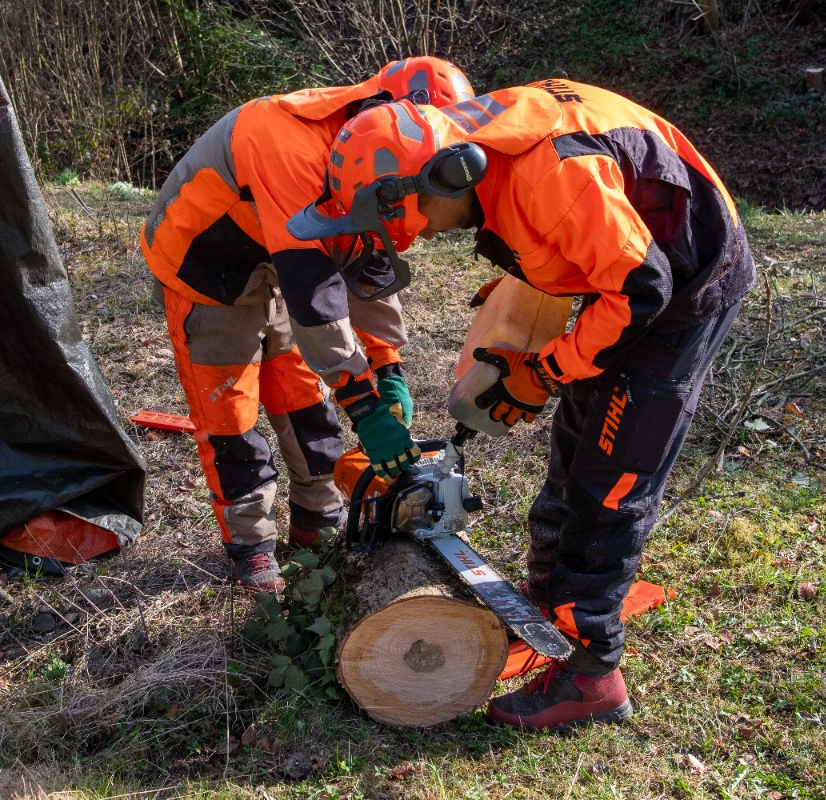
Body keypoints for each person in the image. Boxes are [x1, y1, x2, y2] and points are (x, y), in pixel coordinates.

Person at [288, 78, 756, 729]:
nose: (407, 238)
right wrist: (531, 285)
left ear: (441, 177)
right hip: (623, 274)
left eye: (401, 219)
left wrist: (544, 371)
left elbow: (642, 290)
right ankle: (543, 614)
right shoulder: (485, 158)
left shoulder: (550, 175)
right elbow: (578, 236)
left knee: (610, 482)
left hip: (680, 288)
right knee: (573, 449)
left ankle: (593, 676)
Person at [139, 58, 476, 593]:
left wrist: (387, 369)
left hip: (274, 262)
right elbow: (315, 287)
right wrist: (364, 405)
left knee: (303, 400)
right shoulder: (289, 145)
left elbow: (368, 265)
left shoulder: (376, 158)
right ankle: (250, 547)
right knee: (232, 416)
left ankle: (317, 519)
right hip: (205, 265)